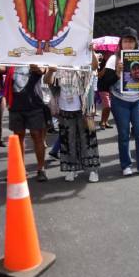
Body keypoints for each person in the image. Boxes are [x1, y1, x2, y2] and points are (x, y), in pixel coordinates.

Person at [104, 27, 139, 177]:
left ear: (136, 43)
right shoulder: (114, 59)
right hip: (120, 101)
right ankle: (126, 165)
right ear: (121, 43)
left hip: (137, 100)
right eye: (125, 41)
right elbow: (104, 83)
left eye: (131, 42)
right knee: (124, 135)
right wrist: (117, 74)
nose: (128, 45)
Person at [44, 53, 101, 182]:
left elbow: (94, 66)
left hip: (84, 110)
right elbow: (48, 81)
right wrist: (51, 71)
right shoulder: (57, 62)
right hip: (64, 109)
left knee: (88, 140)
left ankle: (93, 170)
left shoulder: (83, 60)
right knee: (68, 141)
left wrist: (91, 51)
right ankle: (71, 168)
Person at [5, 64, 54, 181]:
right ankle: (20, 169)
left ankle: (41, 169)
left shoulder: (35, 58)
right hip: (16, 106)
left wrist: (36, 67)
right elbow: (0, 68)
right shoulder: (11, 61)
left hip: (35, 106)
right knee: (18, 138)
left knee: (37, 137)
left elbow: (42, 70)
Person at [96, 50, 115, 129]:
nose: (109, 55)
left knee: (109, 106)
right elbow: (99, 75)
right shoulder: (101, 63)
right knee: (107, 105)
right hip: (103, 87)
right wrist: (106, 66)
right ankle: (102, 122)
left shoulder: (115, 62)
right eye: (107, 54)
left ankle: (105, 121)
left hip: (112, 87)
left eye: (110, 54)